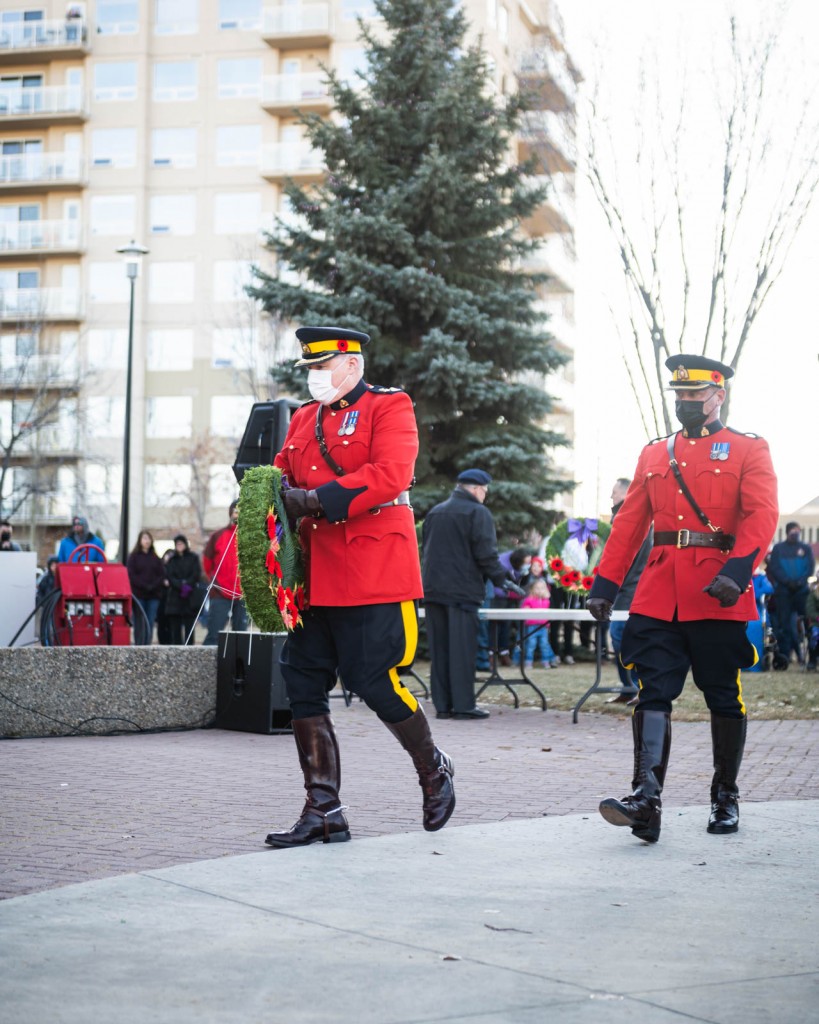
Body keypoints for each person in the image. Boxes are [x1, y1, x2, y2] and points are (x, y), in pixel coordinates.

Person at [264, 326, 455, 848]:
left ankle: (433, 769)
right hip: (313, 576)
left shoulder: (388, 406)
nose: (315, 376)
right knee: (302, 680)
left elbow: (390, 473)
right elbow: (281, 474)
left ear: (351, 363)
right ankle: (324, 809)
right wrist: (264, 494)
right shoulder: (303, 418)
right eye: (310, 368)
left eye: (322, 366)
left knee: (374, 679)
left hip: (372, 568)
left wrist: (315, 499)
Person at [587, 354, 778, 843]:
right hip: (659, 594)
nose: (686, 402)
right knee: (653, 691)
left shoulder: (748, 448)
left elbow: (761, 515)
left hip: (718, 590)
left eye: (695, 394)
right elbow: (630, 522)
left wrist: (739, 570)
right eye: (680, 395)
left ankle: (725, 795)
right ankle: (645, 801)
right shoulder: (655, 453)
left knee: (722, 694)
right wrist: (606, 583)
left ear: (719, 396)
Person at [422, 468, 522, 719]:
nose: (485, 496)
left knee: (440, 651)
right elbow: (486, 554)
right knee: (462, 650)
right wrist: (503, 580)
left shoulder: (436, 512)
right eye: (485, 491)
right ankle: (463, 706)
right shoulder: (478, 512)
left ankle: (443, 706)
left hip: (433, 591)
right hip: (462, 592)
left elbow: (427, 551)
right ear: (476, 489)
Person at [606, 477, 653, 704]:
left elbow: (625, 555)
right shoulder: (625, 516)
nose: (611, 496)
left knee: (623, 637)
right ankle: (628, 687)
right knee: (619, 638)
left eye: (614, 492)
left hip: (630, 588)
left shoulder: (630, 516)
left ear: (625, 493)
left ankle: (637, 687)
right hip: (625, 588)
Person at [766, 522, 815, 667]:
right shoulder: (778, 548)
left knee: (809, 624)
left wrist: (800, 582)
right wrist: (787, 582)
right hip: (783, 593)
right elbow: (774, 567)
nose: (796, 533)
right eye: (793, 530)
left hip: (802, 592)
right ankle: (784, 658)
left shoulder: (805, 548)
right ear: (788, 532)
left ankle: (812, 659)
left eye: (798, 531)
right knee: (784, 627)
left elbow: (810, 567)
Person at [202, 501, 248, 644]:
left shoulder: (250, 538)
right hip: (220, 592)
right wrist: (214, 581)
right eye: (236, 511)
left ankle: (236, 660)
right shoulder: (218, 535)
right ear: (230, 514)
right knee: (214, 635)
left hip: (242, 594)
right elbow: (207, 562)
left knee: (240, 636)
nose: (238, 515)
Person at [491, 547, 530, 665]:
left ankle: (504, 653)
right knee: (495, 626)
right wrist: (510, 592)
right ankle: (491, 654)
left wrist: (524, 575)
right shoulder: (502, 564)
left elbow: (520, 581)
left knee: (506, 625)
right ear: (519, 561)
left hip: (510, 598)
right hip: (497, 596)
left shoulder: (520, 566)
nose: (528, 565)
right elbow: (498, 582)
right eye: (526, 562)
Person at [126, 530, 166, 645]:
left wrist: (153, 586)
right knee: (139, 621)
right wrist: (143, 585)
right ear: (140, 541)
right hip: (139, 595)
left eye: (148, 538)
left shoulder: (155, 558)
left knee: (150, 621)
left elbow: (161, 574)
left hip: (153, 595)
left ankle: (147, 645)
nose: (146, 541)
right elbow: (131, 575)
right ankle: (139, 645)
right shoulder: (133, 557)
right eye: (144, 538)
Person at [164, 534, 202, 644]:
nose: (179, 546)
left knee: (189, 627)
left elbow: (196, 574)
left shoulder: (193, 558)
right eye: (177, 544)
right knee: (175, 628)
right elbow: (170, 576)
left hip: (190, 597)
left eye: (181, 543)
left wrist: (187, 584)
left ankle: (189, 648)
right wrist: (180, 585)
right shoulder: (172, 560)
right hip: (175, 597)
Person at [520, 578, 558, 668]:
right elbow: (524, 611)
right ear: (532, 589)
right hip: (532, 626)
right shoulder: (528, 600)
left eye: (542, 588)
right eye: (537, 588)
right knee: (531, 644)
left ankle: (546, 661)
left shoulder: (546, 600)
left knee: (544, 644)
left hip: (543, 627)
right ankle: (528, 661)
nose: (540, 590)